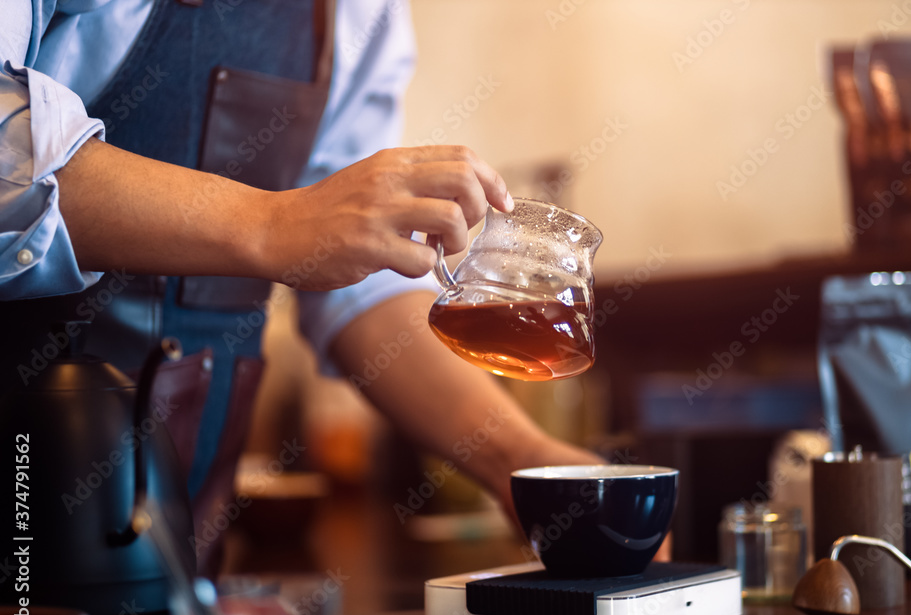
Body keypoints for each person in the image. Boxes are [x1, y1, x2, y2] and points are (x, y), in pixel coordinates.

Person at [0, 0, 603, 575]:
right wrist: (275, 224)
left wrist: (520, 461)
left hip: (181, 560)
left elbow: (365, 287)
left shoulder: (361, 14)